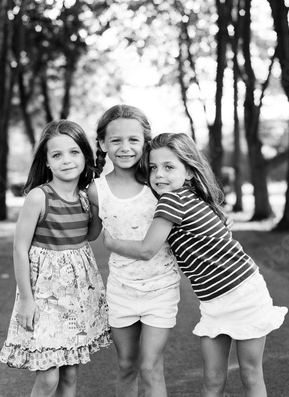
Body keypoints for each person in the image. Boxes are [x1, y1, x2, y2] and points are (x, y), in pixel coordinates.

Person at [103, 132, 288, 397]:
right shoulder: (184, 196)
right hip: (213, 301)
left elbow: (147, 250)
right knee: (214, 378)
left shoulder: (173, 199)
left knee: (249, 372)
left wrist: (112, 243)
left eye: (169, 167)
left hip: (243, 293)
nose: (159, 175)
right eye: (153, 167)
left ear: (189, 172)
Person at [0, 120, 111, 397]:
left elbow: (91, 234)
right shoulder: (39, 197)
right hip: (44, 296)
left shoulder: (86, 199)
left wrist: (99, 204)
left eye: (74, 152)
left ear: (85, 155)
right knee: (48, 378)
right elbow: (19, 248)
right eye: (56, 155)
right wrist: (26, 299)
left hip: (76, 297)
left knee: (70, 375)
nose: (66, 160)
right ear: (47, 162)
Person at [87, 105, 181, 397]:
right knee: (127, 364)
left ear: (145, 142)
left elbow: (195, 206)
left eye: (133, 140)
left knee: (151, 367)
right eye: (116, 140)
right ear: (103, 144)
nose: (125, 147)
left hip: (161, 286)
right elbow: (88, 233)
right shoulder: (96, 190)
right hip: (121, 290)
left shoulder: (158, 183)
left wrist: (219, 217)